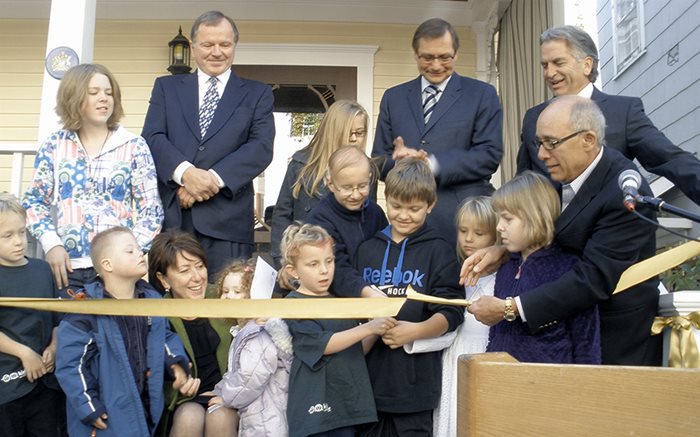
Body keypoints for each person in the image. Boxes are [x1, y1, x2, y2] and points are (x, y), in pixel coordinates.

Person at [465, 95, 661, 366]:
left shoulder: (624, 192)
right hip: (556, 336)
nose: (542, 154)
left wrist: (511, 307)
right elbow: (546, 234)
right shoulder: (558, 175)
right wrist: (503, 250)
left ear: (588, 140)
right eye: (539, 143)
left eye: (552, 143)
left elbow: (592, 279)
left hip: (612, 335)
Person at [142, 10, 275, 280]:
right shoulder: (166, 88)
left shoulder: (257, 93)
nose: (217, 52)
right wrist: (186, 174)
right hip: (175, 220)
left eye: (224, 44)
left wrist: (209, 181)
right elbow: (153, 137)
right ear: (192, 48)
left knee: (224, 307)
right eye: (208, 44)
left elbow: (260, 147)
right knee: (170, 312)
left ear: (234, 46)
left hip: (228, 226)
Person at [517, 25, 700, 205]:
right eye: (544, 65)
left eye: (558, 63)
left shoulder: (623, 112)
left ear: (587, 65)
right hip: (548, 233)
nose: (549, 73)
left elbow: (671, 160)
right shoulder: (534, 118)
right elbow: (523, 184)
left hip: (607, 230)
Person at [23, 63, 163, 294]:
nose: (104, 99)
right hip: (69, 268)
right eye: (94, 92)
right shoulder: (55, 145)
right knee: (71, 329)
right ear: (74, 96)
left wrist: (127, 254)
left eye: (109, 93)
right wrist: (52, 244)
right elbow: (34, 202)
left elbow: (151, 212)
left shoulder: (133, 146)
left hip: (117, 273)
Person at [354, 158, 465, 436]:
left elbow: (452, 312)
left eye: (414, 209)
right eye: (396, 206)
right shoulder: (367, 249)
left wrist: (415, 332)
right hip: (368, 388)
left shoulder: (440, 251)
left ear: (430, 205)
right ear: (385, 199)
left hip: (415, 390)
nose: (404, 215)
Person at [55, 227, 199, 437]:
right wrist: (89, 407)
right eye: (129, 251)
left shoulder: (151, 299)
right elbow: (71, 366)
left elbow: (164, 336)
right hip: (104, 417)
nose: (140, 253)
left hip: (145, 408)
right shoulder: (84, 310)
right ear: (107, 264)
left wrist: (176, 363)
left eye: (139, 249)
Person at [372, 18, 503, 246]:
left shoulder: (482, 94)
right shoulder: (393, 98)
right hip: (408, 228)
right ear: (415, 54)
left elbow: (488, 155)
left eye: (444, 57)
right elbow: (379, 161)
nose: (435, 65)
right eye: (427, 57)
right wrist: (402, 165)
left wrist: (431, 164)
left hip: (463, 226)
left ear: (456, 54)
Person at [281, 223, 394, 437]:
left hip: (347, 407)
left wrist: (376, 328)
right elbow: (323, 345)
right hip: (315, 413)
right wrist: (369, 327)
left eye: (329, 261)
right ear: (293, 270)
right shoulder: (293, 303)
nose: (324, 270)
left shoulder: (339, 301)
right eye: (313, 264)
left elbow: (355, 349)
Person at [486, 171, 601, 364]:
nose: (499, 227)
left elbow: (587, 343)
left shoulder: (568, 268)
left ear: (535, 216)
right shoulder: (506, 266)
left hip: (549, 386)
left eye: (508, 219)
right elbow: (496, 333)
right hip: (501, 382)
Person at [148, 231, 238, 437]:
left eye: (200, 266)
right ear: (164, 279)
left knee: (220, 416)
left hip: (229, 393)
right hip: (185, 399)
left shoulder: (224, 295)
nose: (197, 277)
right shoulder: (157, 313)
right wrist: (178, 386)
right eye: (185, 270)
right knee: (190, 416)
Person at [271, 100, 370, 268]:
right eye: (348, 133)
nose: (354, 139)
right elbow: (282, 215)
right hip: (303, 265)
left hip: (350, 266)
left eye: (359, 133)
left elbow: (368, 223)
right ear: (333, 132)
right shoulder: (300, 164)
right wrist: (283, 264)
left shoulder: (367, 170)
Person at [433, 196, 498, 437]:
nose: (469, 239)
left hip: (487, 355)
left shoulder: (504, 278)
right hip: (454, 356)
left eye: (479, 233)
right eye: (463, 231)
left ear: (495, 235)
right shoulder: (452, 271)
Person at [0, 193, 63, 437]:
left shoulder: (42, 270)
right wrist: (24, 353)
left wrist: (55, 347)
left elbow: (57, 317)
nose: (19, 241)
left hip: (45, 383)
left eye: (22, 232)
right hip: (7, 388)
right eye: (7, 236)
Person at [208, 259, 293, 437]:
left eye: (237, 291)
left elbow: (250, 378)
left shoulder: (257, 334)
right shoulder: (244, 331)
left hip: (267, 419)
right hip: (260, 415)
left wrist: (226, 398)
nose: (228, 296)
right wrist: (219, 390)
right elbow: (235, 374)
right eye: (225, 291)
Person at [306, 145, 388, 298]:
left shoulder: (375, 213)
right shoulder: (320, 219)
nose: (355, 195)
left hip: (377, 292)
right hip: (336, 301)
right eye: (347, 188)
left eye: (362, 186)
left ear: (369, 178)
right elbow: (335, 267)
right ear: (331, 184)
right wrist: (366, 291)